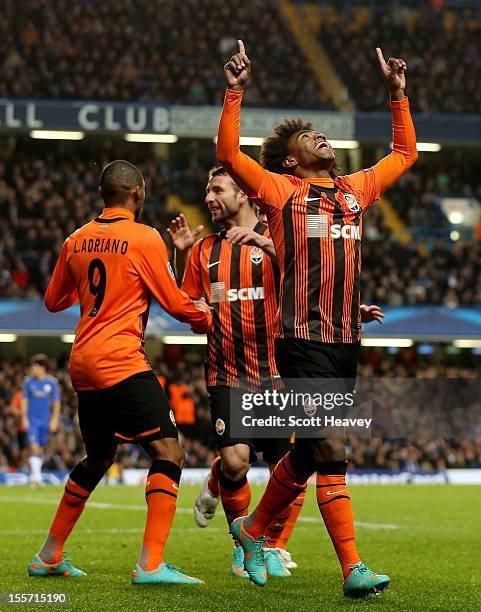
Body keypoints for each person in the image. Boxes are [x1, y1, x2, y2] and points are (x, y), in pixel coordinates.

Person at [217, 41, 417, 596]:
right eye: (309, 138)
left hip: (345, 339)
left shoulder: (354, 193)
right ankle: (353, 570)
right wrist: (235, 91)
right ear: (291, 160)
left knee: (307, 451)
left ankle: (254, 530)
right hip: (299, 339)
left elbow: (405, 155)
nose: (320, 138)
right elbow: (231, 155)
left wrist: (397, 97)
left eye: (320, 135)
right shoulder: (283, 192)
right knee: (331, 446)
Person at [28, 160, 212, 585]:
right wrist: (205, 318)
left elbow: (54, 301)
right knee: (169, 452)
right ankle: (150, 564)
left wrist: (95, 281)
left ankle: (48, 555)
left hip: (83, 363)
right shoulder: (145, 238)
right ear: (138, 195)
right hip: (121, 359)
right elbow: (174, 301)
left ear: (101, 195)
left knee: (99, 457)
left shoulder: (75, 240)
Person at [168, 166, 304, 578]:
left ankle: (273, 546)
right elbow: (188, 310)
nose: (209, 197)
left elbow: (306, 276)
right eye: (207, 189)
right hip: (227, 372)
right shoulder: (204, 249)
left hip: (278, 374)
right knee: (236, 462)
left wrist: (269, 243)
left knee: (288, 466)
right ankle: (242, 546)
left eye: (217, 189)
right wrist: (181, 255)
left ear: (243, 194)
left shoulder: (276, 235)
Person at [21, 354, 61, 487]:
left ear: (42, 368)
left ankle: (34, 476)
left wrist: (54, 419)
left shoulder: (51, 382)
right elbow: (24, 402)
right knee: (34, 447)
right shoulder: (28, 382)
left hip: (46, 420)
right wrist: (24, 418)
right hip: (32, 420)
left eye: (35, 366)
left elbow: (56, 402)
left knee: (42, 449)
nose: (33, 369)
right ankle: (37, 478)